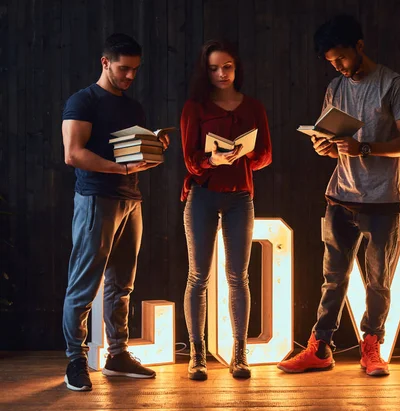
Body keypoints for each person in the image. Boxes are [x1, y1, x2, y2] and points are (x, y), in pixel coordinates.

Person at [277, 14, 400, 377]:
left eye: (340, 58)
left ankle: (371, 347)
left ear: (359, 47)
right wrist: (327, 147)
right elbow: (334, 138)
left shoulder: (393, 84)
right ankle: (321, 347)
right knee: (333, 277)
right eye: (330, 62)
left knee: (377, 281)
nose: (338, 67)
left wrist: (365, 149)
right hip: (339, 195)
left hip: (382, 199)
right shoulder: (336, 88)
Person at [62, 33, 170, 391]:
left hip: (130, 200)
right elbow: (74, 154)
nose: (129, 77)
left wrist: (153, 148)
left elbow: (131, 157)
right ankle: (75, 360)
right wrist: (121, 169)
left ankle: (117, 355)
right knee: (83, 285)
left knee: (122, 285)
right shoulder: (83, 101)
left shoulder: (133, 107)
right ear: (105, 62)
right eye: (124, 69)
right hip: (96, 199)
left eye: (135, 71)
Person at [180, 40, 272, 380]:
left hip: (240, 198)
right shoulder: (195, 107)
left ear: (237, 68)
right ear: (206, 71)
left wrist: (245, 154)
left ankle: (239, 354)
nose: (221, 73)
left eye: (227, 67)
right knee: (198, 277)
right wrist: (212, 159)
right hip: (203, 194)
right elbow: (190, 161)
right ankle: (197, 355)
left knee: (238, 277)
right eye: (215, 68)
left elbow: (265, 156)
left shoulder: (253, 107)